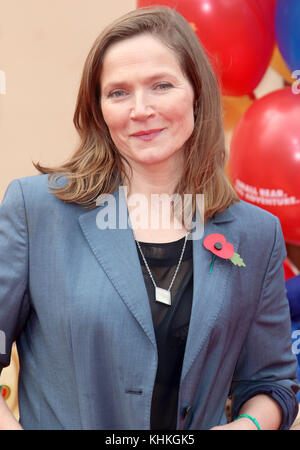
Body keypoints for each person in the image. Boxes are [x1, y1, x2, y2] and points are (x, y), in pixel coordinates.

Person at [0, 6, 299, 430]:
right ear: (99, 109)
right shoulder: (36, 211)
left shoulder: (256, 234)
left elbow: (273, 383)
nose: (140, 109)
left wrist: (248, 425)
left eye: (161, 85)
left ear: (197, 92)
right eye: (118, 92)